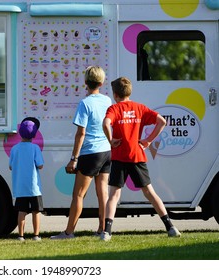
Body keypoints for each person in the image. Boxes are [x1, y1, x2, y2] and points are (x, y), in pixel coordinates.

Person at [101, 76, 181, 241]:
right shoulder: (140, 108)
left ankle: (107, 232)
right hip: (137, 156)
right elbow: (162, 121)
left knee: (114, 195)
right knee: (150, 193)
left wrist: (111, 140)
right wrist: (148, 140)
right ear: (129, 92)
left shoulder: (114, 109)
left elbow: (105, 123)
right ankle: (170, 227)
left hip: (119, 157)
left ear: (115, 95)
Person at [51, 66, 112, 239]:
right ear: (101, 82)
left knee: (78, 195)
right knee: (103, 193)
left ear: (86, 82)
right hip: (106, 151)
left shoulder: (85, 103)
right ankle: (102, 229)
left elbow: (81, 133)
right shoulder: (107, 100)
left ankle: (69, 232)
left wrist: (73, 159)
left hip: (90, 153)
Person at [9, 117, 44, 241]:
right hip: (34, 187)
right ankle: (36, 235)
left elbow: (11, 166)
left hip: (20, 186)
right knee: (36, 211)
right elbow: (40, 165)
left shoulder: (14, 149)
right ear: (34, 134)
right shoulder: (35, 148)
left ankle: (21, 236)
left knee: (21, 211)